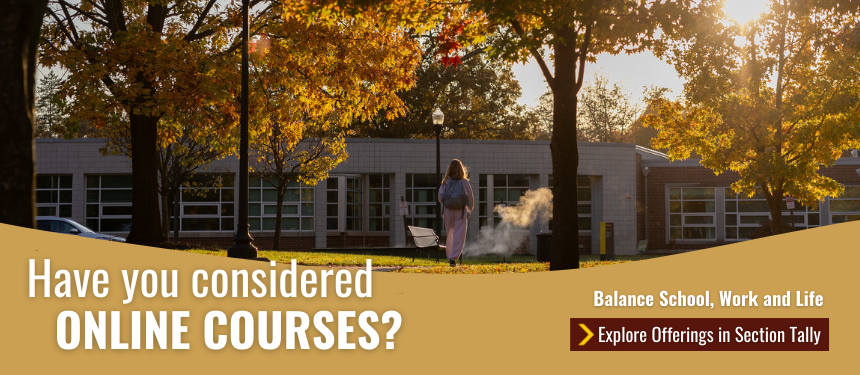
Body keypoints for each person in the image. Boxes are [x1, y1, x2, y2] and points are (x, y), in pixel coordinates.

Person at [438, 159, 474, 267]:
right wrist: (469, 209)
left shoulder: (446, 182)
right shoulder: (464, 182)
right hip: (460, 211)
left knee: (450, 233)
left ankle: (450, 257)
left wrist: (448, 201)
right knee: (459, 234)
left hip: (448, 210)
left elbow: (440, 197)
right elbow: (471, 198)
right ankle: (453, 258)